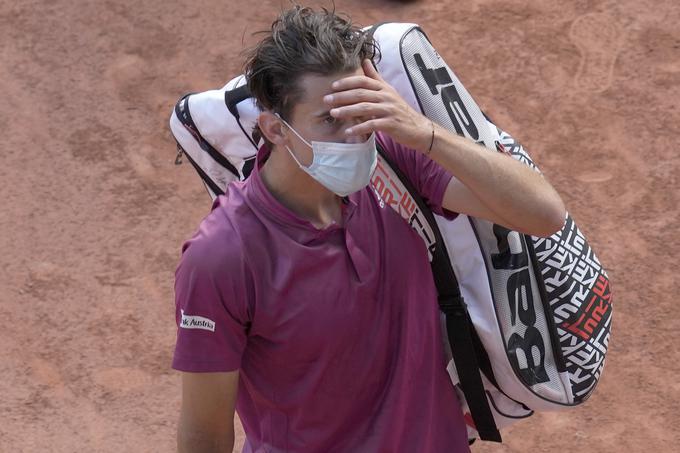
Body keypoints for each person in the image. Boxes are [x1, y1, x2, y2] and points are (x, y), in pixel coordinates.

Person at [172, 6, 566, 453]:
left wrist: (425, 134)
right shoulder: (223, 257)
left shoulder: (400, 164)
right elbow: (205, 434)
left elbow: (544, 213)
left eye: (361, 111)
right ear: (274, 129)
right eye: (329, 120)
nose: (353, 136)